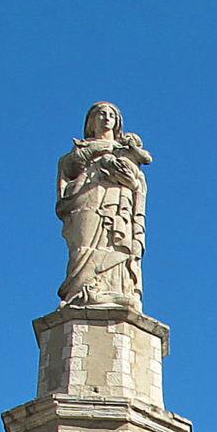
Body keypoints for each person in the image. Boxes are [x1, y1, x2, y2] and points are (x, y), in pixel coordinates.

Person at [56, 102, 152, 310]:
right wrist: (97, 152)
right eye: (101, 113)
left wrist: (129, 176)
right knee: (84, 246)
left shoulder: (126, 152)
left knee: (117, 244)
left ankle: (115, 291)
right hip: (87, 200)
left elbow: (138, 181)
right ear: (91, 121)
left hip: (119, 204)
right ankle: (80, 291)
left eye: (111, 115)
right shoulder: (80, 149)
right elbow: (69, 170)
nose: (107, 118)